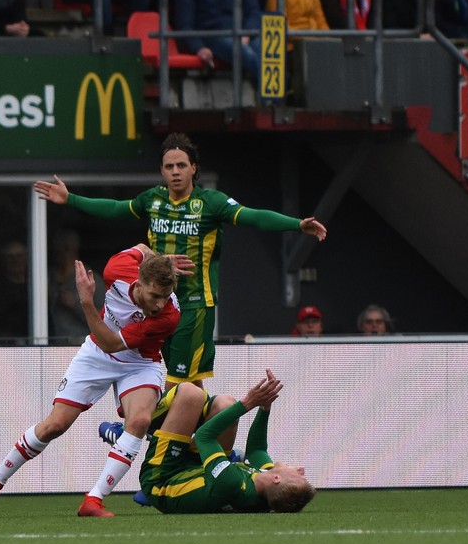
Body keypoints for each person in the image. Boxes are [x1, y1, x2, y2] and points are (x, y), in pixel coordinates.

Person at [34, 132, 327, 392]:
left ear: (193, 168)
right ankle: (199, 442)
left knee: (176, 382)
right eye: (169, 167)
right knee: (190, 385)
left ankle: (138, 430)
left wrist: (296, 224)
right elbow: (114, 208)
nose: (175, 172)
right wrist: (71, 199)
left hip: (195, 304)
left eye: (182, 166)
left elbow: (253, 216)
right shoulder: (153, 200)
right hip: (159, 306)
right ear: (162, 171)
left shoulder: (211, 203)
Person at [0, 244, 192, 517]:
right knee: (55, 425)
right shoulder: (117, 269)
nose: (159, 303)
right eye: (156, 295)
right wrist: (161, 259)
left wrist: (86, 302)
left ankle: (94, 500)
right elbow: (142, 249)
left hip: (138, 362)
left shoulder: (169, 315)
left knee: (139, 421)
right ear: (141, 281)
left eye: (166, 296)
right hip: (96, 355)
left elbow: (112, 343)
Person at [139, 369, 316, 514]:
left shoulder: (232, 483)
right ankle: (162, 426)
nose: (301, 470)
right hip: (194, 470)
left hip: (161, 479)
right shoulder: (266, 485)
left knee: (191, 393)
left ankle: (135, 426)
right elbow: (256, 450)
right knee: (226, 403)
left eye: (299, 476)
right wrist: (264, 408)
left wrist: (247, 404)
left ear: (276, 479)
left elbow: (203, 436)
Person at [174, 0, 263, 86]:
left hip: (244, 32)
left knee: (265, 51)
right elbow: (185, 25)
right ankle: (272, 95)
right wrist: (198, 47)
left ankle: (271, 94)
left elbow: (253, 12)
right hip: (212, 35)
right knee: (245, 53)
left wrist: (246, 33)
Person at [48, 229, 106, 345]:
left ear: (74, 249)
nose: (61, 253)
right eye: (57, 248)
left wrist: (75, 304)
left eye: (65, 248)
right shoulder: (45, 279)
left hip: (81, 345)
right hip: (50, 345)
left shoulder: (90, 279)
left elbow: (104, 320)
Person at [0, 240, 29, 345]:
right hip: (5, 345)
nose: (15, 260)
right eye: (11, 257)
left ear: (26, 259)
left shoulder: (36, 287)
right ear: (4, 260)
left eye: (19, 256)